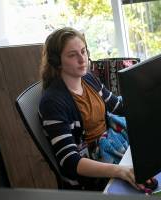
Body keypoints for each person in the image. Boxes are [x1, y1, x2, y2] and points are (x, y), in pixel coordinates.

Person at [38, 27, 139, 191]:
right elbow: (70, 160)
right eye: (72, 55)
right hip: (94, 166)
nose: (82, 59)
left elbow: (117, 106)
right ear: (57, 61)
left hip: (113, 143)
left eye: (83, 51)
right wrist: (120, 170)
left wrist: (150, 100)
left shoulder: (88, 78)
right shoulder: (52, 102)